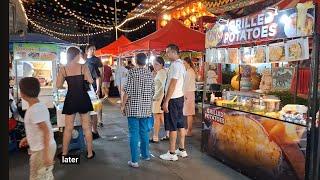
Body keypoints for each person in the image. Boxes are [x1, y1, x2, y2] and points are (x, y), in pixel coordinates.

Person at [56, 47, 95, 159]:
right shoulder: (83, 66)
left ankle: (64, 153)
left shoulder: (64, 69)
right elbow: (91, 81)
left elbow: (58, 85)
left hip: (71, 98)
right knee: (87, 127)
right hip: (83, 98)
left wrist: (67, 85)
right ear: (77, 55)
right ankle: (89, 153)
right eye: (80, 54)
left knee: (68, 128)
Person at [18, 77, 56, 180]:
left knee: (36, 176)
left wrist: (46, 154)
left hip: (41, 150)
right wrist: (27, 138)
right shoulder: (39, 106)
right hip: (46, 147)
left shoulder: (34, 110)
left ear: (22, 93)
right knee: (45, 175)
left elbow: (46, 131)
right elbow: (39, 128)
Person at [121, 53, 155, 168]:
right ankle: (145, 155)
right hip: (146, 108)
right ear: (145, 62)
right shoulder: (150, 74)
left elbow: (128, 91)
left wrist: (122, 105)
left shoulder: (131, 72)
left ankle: (134, 160)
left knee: (134, 133)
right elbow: (152, 92)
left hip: (133, 108)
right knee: (144, 132)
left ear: (135, 61)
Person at [160, 44, 187, 161]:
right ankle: (181, 150)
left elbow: (173, 84)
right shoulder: (181, 65)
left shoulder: (176, 66)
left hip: (173, 99)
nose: (166, 54)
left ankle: (172, 153)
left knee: (172, 126)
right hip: (179, 97)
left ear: (173, 52)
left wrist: (166, 101)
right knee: (180, 124)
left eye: (167, 52)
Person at [85, 44, 103, 138]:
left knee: (95, 109)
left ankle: (95, 130)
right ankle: (92, 130)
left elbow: (99, 75)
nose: (93, 51)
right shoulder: (84, 60)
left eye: (94, 49)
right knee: (90, 110)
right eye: (91, 49)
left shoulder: (95, 60)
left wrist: (99, 87)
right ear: (87, 50)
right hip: (85, 88)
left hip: (93, 88)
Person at [150, 57, 169, 143]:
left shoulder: (161, 73)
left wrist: (155, 97)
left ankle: (155, 137)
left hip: (158, 98)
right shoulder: (162, 72)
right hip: (160, 98)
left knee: (156, 118)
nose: (154, 66)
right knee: (161, 117)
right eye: (153, 64)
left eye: (156, 64)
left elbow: (162, 87)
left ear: (161, 64)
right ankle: (168, 134)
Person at [183, 57, 197, 136]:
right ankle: (188, 129)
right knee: (189, 113)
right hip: (189, 92)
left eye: (184, 63)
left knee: (189, 113)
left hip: (188, 93)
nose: (183, 65)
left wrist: (184, 94)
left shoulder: (189, 72)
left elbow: (186, 85)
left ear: (188, 63)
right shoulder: (190, 71)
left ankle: (189, 131)